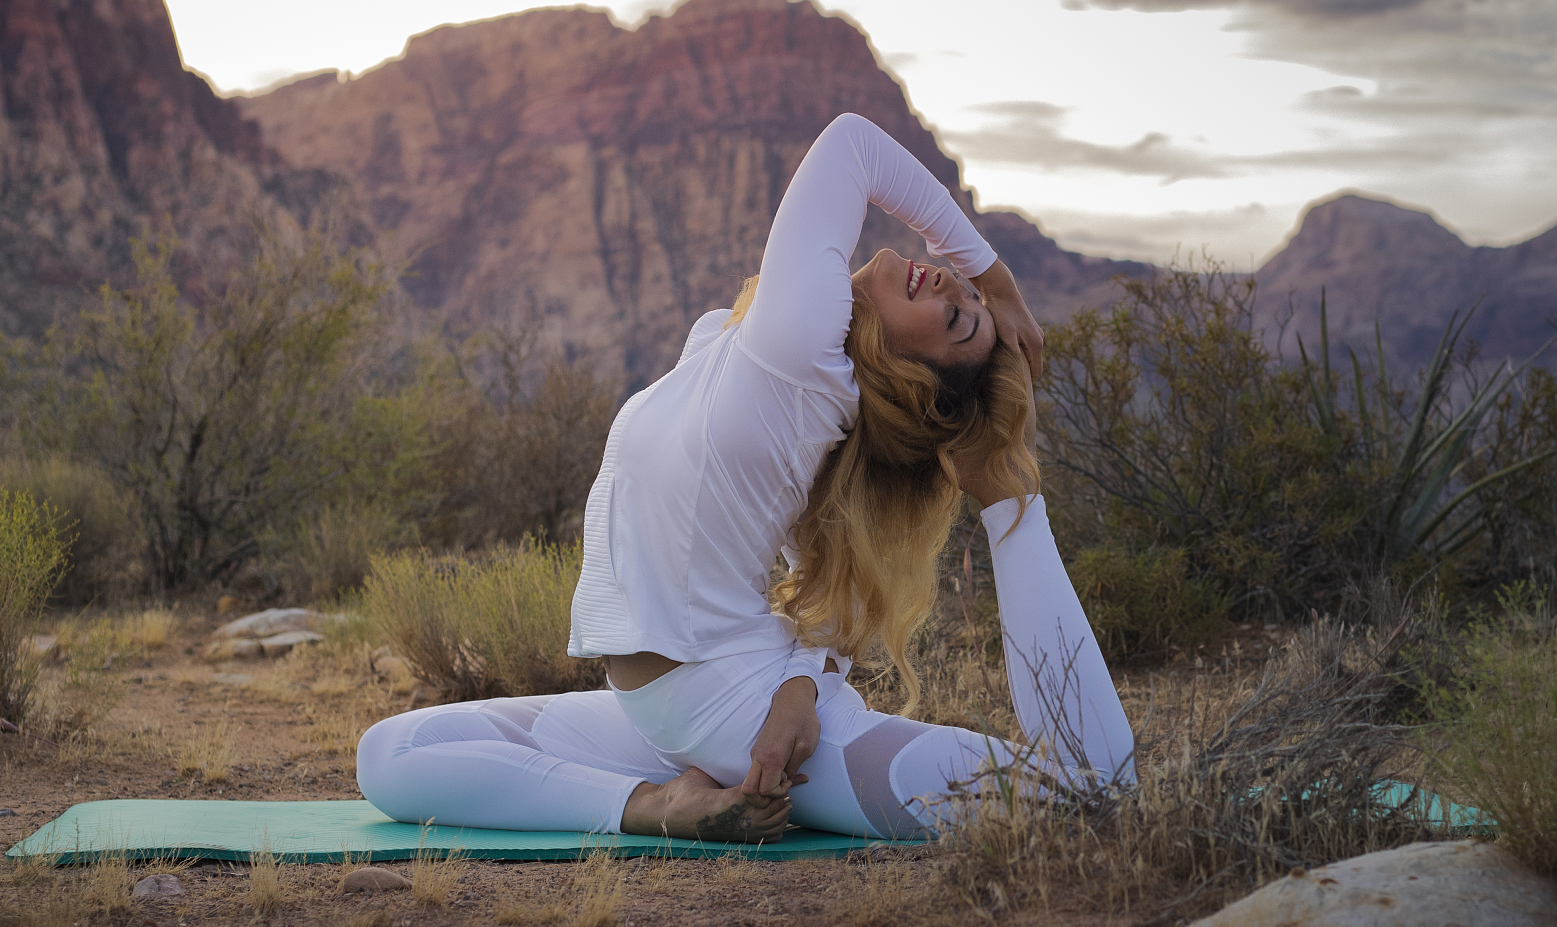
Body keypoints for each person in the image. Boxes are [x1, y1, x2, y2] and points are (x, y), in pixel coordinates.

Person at [357, 114, 1135, 841]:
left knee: (1088, 793)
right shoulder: (766, 360)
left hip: (737, 717)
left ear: (914, 381)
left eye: (959, 319)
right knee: (388, 753)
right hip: (663, 718)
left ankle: (1010, 499)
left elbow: (853, 144)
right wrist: (804, 683)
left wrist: (995, 278)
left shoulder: (799, 348)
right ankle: (658, 801)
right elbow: (821, 567)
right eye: (967, 292)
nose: (955, 285)